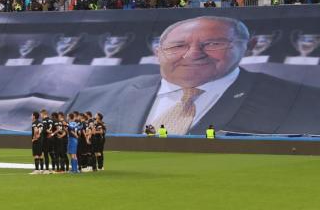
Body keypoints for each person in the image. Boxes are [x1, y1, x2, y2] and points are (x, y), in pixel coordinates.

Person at [66, 16, 320, 135]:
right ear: (158, 52)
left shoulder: (305, 102)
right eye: (177, 46)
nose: (193, 54)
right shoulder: (90, 100)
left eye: (213, 44)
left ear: (246, 47)